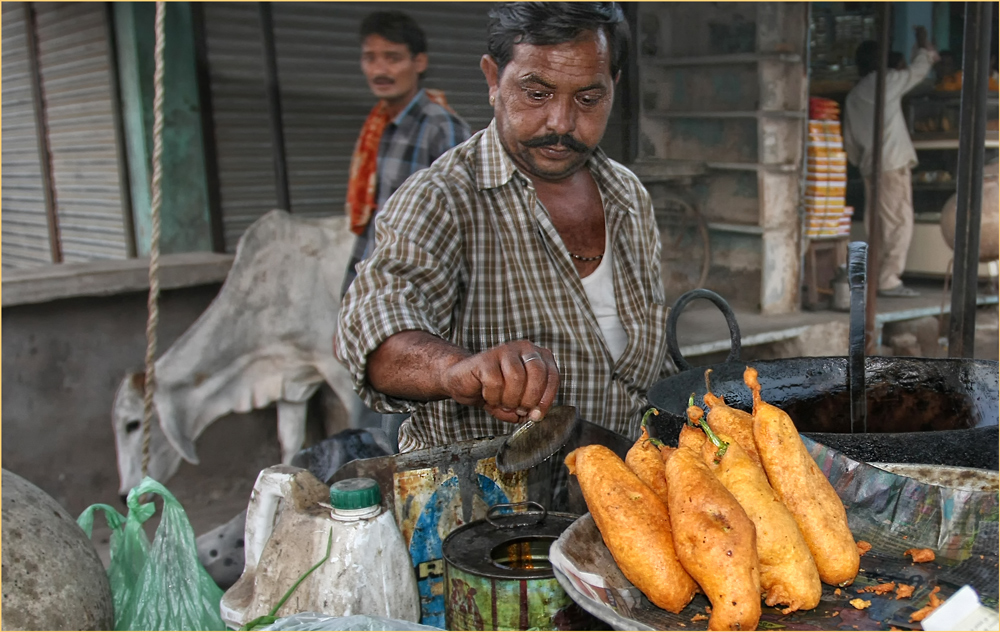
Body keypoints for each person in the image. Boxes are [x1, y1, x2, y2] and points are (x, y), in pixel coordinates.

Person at [337, 2, 672, 453]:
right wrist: (458, 370)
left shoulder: (628, 196)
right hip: (486, 506)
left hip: (622, 493)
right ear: (494, 79)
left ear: (612, 86)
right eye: (536, 93)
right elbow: (375, 326)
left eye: (588, 99)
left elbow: (650, 365)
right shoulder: (443, 196)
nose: (561, 121)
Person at [342, 10, 472, 296]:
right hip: (378, 286)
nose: (379, 71)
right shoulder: (380, 128)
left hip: (415, 292)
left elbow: (464, 227)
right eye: (370, 58)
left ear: (419, 62)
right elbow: (376, 221)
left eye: (393, 58)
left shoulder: (441, 126)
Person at [843, 28, 939, 298]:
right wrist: (925, 50)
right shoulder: (885, 82)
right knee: (899, 223)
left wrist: (864, 161)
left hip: (870, 166)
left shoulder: (853, 96)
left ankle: (875, 277)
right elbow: (918, 72)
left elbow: (849, 142)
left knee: (877, 225)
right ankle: (888, 279)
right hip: (892, 164)